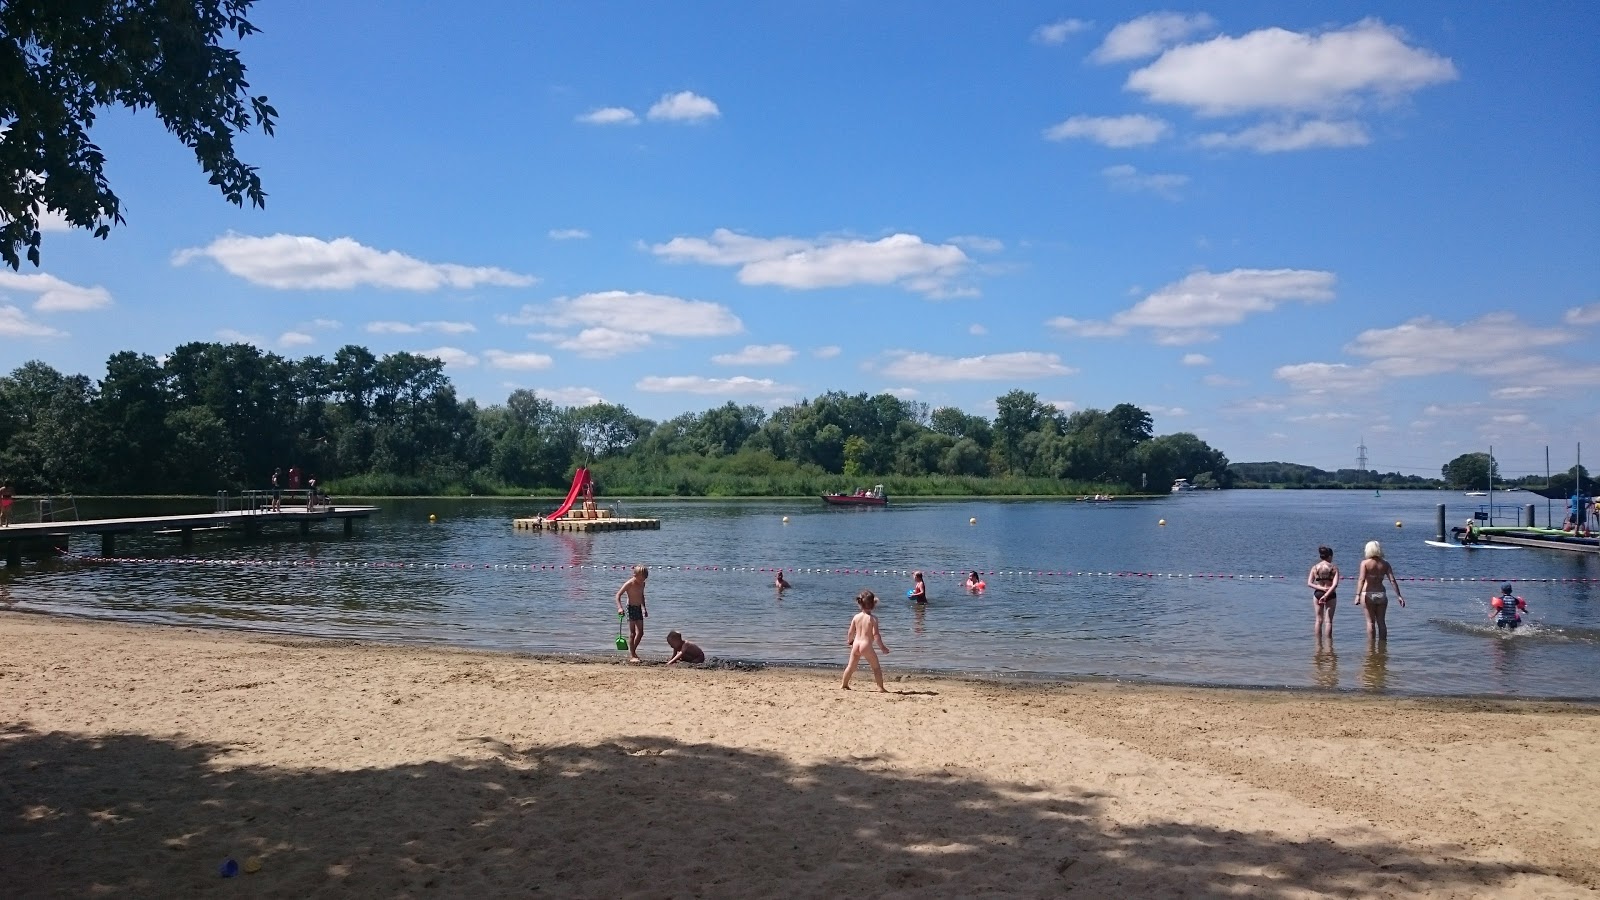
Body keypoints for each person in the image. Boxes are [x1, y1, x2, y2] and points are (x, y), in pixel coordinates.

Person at [1354, 540, 1404, 641]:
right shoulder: (1385, 564)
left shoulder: (1365, 563)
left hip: (1367, 593)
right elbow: (1392, 580)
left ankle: (1371, 647)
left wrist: (1357, 595)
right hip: (1381, 594)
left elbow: (1361, 579)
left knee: (1370, 622)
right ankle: (1383, 646)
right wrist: (1399, 596)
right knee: (1381, 622)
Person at [842, 589, 890, 691]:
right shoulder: (873, 619)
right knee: (876, 668)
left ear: (860, 604)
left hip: (856, 644)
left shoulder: (856, 617)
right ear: (873, 605)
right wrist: (882, 647)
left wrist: (849, 641)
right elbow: (876, 635)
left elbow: (850, 632)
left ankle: (844, 684)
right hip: (866, 645)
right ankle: (880, 687)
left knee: (850, 667)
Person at [614, 565, 649, 663]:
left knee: (641, 633)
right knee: (633, 633)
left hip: (638, 608)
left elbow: (641, 595)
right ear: (635, 575)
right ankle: (633, 655)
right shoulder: (629, 583)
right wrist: (620, 608)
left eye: (645, 578)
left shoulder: (642, 584)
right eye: (642, 577)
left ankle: (633, 651)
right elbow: (618, 595)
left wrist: (644, 608)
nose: (643, 580)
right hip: (630, 608)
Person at [1307, 546, 1340, 640]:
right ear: (1330, 556)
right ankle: (1329, 644)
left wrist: (1320, 588)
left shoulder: (1315, 567)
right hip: (1330, 594)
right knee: (1328, 621)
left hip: (1318, 594)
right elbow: (1334, 585)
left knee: (1318, 620)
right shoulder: (1333, 568)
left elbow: (1309, 583)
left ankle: (1318, 643)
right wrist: (1326, 594)